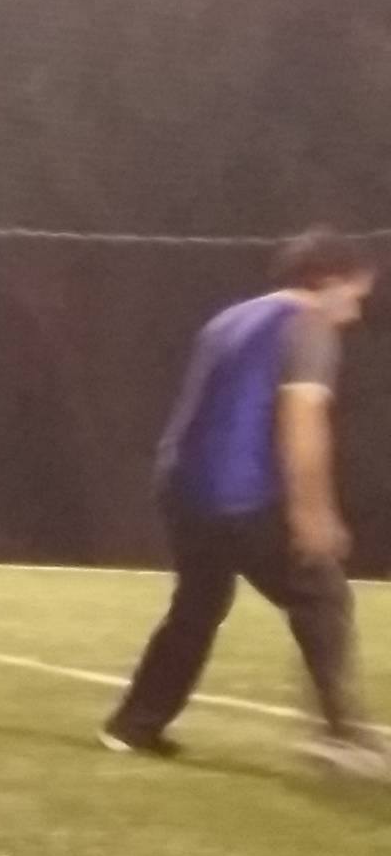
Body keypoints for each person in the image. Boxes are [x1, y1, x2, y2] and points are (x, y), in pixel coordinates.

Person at [102, 228, 384, 776]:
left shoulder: (230, 318)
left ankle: (134, 725)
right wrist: (313, 514)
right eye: (353, 296)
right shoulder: (308, 326)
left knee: (199, 604)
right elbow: (302, 423)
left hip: (181, 488)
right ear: (326, 282)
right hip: (240, 494)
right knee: (321, 595)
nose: (353, 314)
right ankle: (339, 740)